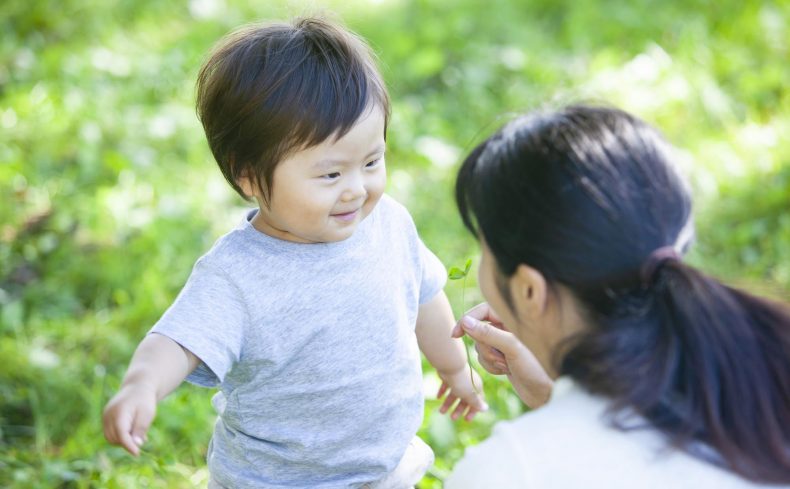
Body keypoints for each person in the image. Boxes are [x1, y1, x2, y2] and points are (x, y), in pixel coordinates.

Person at [102, 17, 486, 489]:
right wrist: (142, 385)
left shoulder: (389, 224)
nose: (356, 189)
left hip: (381, 469)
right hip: (271, 480)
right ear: (248, 175)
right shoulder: (237, 275)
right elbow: (178, 342)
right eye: (330, 175)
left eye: (371, 162)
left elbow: (424, 297)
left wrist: (454, 367)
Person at [444, 105, 790, 488]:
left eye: (485, 249)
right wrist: (551, 397)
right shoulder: (766, 376)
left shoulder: (510, 471)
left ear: (529, 290)